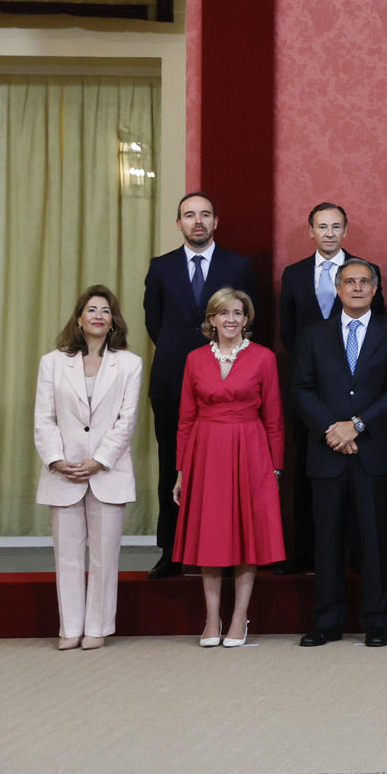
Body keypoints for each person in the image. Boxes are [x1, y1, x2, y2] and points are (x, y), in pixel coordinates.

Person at [292, 259, 387, 647]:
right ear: (338, 289)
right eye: (349, 282)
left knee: (375, 538)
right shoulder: (313, 335)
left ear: (375, 290)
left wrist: (356, 425)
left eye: (364, 282)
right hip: (327, 451)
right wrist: (334, 429)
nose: (357, 287)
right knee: (327, 540)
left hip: (372, 449)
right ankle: (327, 621)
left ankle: (376, 621)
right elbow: (302, 389)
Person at [141, 191, 257, 579]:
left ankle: (223, 549)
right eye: (189, 215)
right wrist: (183, 354)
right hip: (173, 377)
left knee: (223, 468)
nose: (198, 222)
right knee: (172, 464)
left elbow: (250, 321)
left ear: (215, 222)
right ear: (179, 224)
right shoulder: (161, 267)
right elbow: (154, 323)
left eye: (205, 214)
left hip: (227, 380)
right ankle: (171, 550)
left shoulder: (237, 265)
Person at [171, 288, 285, 648]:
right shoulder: (194, 359)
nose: (231, 320)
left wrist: (276, 469)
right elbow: (185, 419)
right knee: (212, 534)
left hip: (251, 451)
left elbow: (275, 419)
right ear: (212, 320)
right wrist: (181, 470)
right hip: (205, 453)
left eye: (238, 313)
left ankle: (239, 618)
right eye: (224, 313)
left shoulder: (264, 358)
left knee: (246, 534)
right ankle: (211, 618)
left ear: (247, 319)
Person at [34, 286, 143, 650]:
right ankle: (70, 627)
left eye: (106, 311)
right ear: (79, 319)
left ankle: (97, 626)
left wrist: (99, 460)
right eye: (91, 309)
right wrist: (56, 459)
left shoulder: (129, 363)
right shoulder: (52, 362)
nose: (98, 315)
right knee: (65, 554)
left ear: (114, 322)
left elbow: (126, 421)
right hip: (62, 470)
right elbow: (44, 418)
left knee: (104, 555)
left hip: (107, 471)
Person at [277, 202, 381, 574]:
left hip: (359, 399)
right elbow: (287, 331)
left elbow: (376, 336)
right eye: (322, 227)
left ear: (345, 231)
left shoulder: (366, 273)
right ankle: (306, 554)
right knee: (311, 475)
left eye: (336, 226)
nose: (329, 233)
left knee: (359, 483)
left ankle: (355, 557)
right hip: (310, 394)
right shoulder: (293, 275)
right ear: (311, 232)